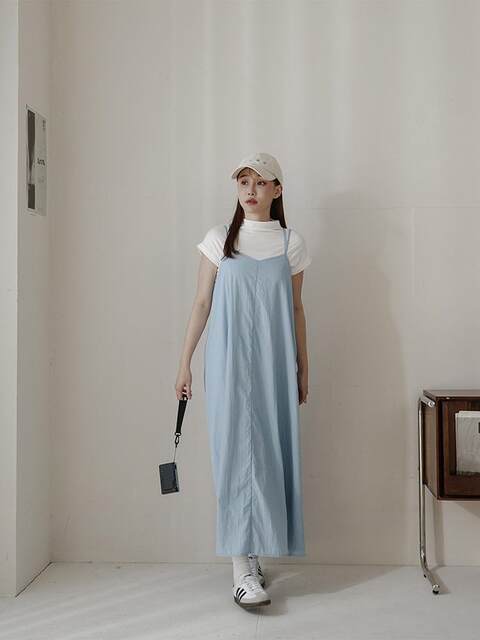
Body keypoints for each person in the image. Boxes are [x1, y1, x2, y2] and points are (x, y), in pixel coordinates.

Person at [175, 152, 312, 609]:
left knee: (269, 454)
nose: (251, 191)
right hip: (228, 362)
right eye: (243, 182)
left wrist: (304, 365)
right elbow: (201, 303)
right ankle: (240, 568)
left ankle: (254, 555)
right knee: (234, 454)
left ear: (277, 190)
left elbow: (296, 308)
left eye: (260, 182)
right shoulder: (220, 239)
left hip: (275, 363)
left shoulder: (291, 243)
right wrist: (184, 363)